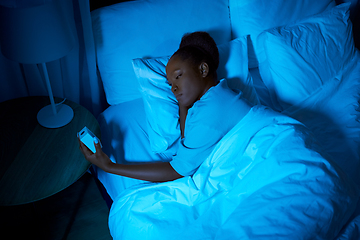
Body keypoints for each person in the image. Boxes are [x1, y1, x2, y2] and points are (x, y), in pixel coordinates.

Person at [78, 32, 252, 195]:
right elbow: (187, 138)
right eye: (170, 83)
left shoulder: (214, 108)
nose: (173, 87)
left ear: (203, 70)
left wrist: (109, 166)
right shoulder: (219, 97)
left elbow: (177, 170)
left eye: (178, 76)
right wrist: (183, 104)